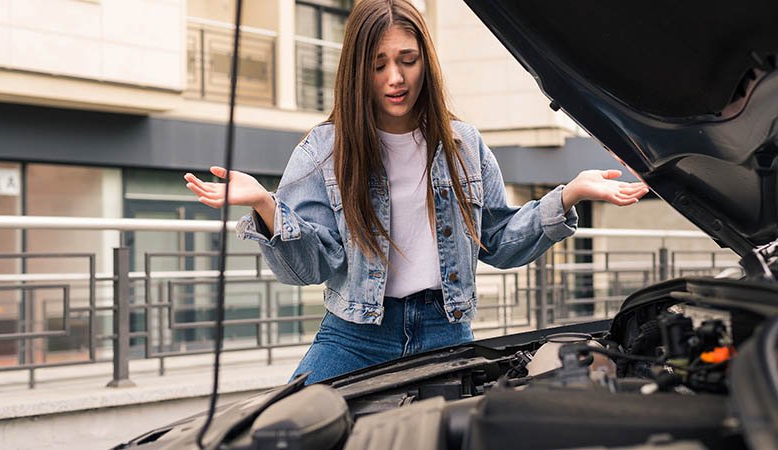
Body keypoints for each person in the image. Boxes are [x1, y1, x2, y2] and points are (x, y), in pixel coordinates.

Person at [184, 0, 648, 384]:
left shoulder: (463, 144)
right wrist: (267, 206)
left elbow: (498, 241)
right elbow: (310, 268)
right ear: (356, 70)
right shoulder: (322, 150)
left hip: (446, 330)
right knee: (288, 425)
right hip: (355, 336)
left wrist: (568, 195)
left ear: (425, 60)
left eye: (408, 60)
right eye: (379, 64)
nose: (396, 78)